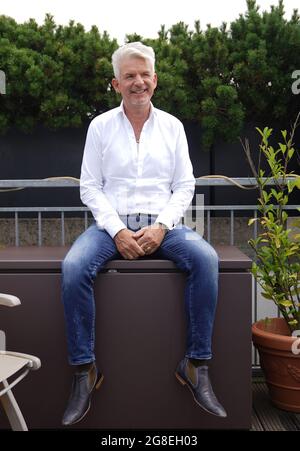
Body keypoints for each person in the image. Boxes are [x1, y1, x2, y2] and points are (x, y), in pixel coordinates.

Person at [61, 41, 227, 426]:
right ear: (116, 84)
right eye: (129, 76)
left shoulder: (172, 127)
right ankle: (84, 372)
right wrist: (118, 230)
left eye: (144, 75)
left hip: (164, 225)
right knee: (73, 268)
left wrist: (162, 226)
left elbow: (184, 185)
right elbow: (90, 186)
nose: (138, 82)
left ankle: (196, 365)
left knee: (206, 259)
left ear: (156, 79)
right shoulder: (100, 126)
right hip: (109, 226)